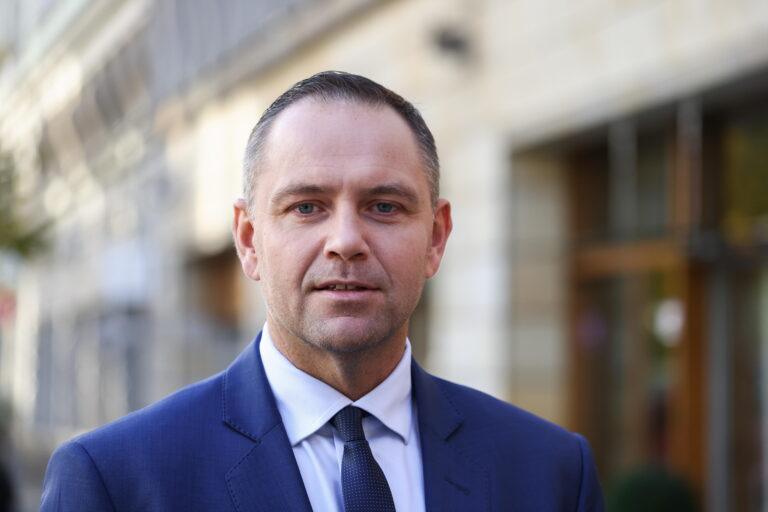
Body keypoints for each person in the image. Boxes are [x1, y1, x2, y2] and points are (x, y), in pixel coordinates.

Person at [41, 71, 604, 511]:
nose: (346, 241)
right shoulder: (117, 480)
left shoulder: (551, 471)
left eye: (384, 206)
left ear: (436, 237)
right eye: (307, 207)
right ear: (249, 239)